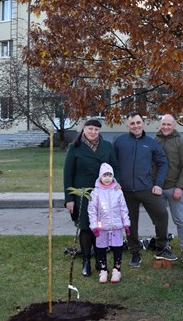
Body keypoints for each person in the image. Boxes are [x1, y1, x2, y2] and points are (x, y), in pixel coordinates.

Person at [113, 111, 176, 268]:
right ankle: (134, 252)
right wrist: (116, 182)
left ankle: (161, 247)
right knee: (130, 223)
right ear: (128, 126)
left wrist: (158, 184)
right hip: (125, 191)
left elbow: (163, 163)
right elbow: (112, 163)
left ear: (143, 124)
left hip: (147, 188)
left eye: (138, 122)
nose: (136, 126)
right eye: (132, 123)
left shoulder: (151, 142)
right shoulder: (119, 142)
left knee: (162, 214)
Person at [63, 118, 121, 277]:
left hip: (104, 193)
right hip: (82, 194)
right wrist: (69, 198)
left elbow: (115, 167)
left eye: (96, 130)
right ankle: (86, 260)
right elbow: (68, 174)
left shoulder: (107, 146)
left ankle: (100, 259)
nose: (93, 132)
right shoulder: (74, 148)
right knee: (86, 227)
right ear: (84, 129)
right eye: (90, 129)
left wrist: (118, 183)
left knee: (100, 227)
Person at [155, 114, 183, 264]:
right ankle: (163, 246)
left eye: (168, 125)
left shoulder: (180, 142)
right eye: (163, 124)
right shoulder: (155, 141)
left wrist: (180, 186)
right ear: (160, 125)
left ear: (174, 126)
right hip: (158, 189)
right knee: (160, 220)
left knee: (180, 220)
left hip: (174, 188)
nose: (165, 127)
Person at [88, 163, 131, 283]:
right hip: (102, 227)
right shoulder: (95, 192)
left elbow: (123, 208)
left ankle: (117, 269)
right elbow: (92, 211)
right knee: (101, 248)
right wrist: (94, 226)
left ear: (113, 176)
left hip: (116, 226)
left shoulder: (118, 191)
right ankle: (103, 270)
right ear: (100, 177)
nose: (107, 178)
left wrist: (126, 223)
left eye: (109, 175)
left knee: (117, 247)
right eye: (104, 175)